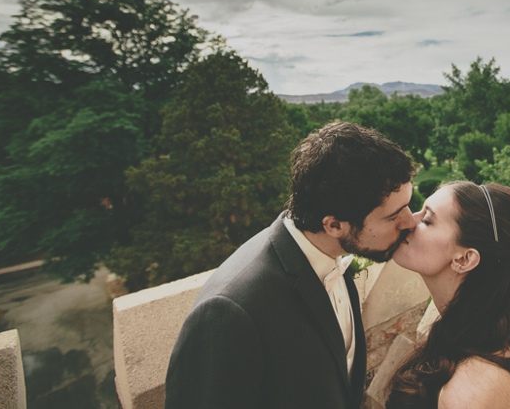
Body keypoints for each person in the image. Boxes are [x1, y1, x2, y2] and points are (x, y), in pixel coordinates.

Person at [165, 122, 417, 409]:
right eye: (392, 216)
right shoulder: (228, 312)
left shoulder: (334, 255)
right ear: (334, 225)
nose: (410, 222)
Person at [386, 181, 510, 409]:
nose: (410, 220)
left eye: (427, 220)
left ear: (463, 259)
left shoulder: (471, 393)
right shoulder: (465, 335)